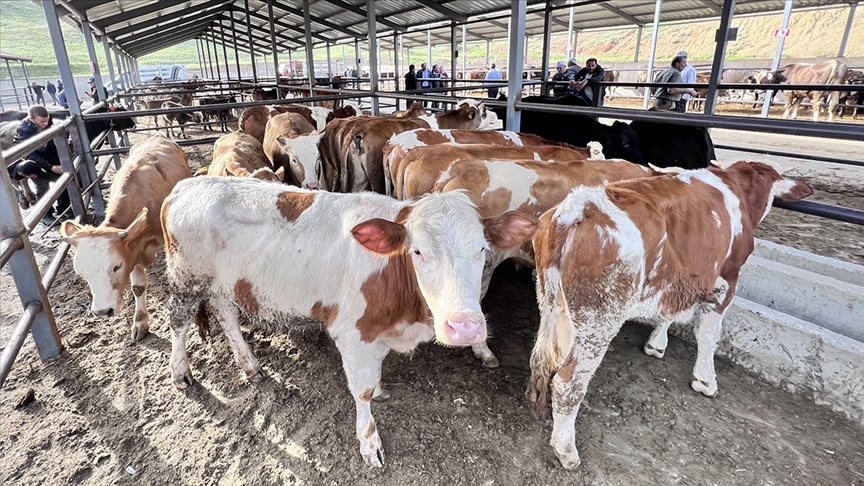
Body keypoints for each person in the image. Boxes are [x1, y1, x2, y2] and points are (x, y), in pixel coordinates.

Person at [7, 105, 70, 227]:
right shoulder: (24, 130)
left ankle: (64, 208)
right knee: (42, 186)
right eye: (42, 121)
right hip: (33, 160)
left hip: (47, 155)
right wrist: (51, 167)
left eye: (47, 120)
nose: (46, 123)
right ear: (31, 119)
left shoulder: (48, 122)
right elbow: (29, 153)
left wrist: (58, 161)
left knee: (63, 180)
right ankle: (46, 215)